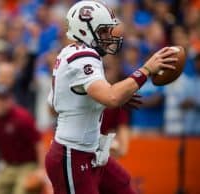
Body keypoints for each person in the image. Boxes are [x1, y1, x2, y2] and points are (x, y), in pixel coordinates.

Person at [45, 1, 178, 194]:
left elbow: (60, 101)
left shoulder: (71, 53)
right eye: (104, 31)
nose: (109, 36)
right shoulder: (84, 57)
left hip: (90, 150)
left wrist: (110, 95)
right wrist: (146, 69)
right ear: (85, 30)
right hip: (72, 154)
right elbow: (112, 98)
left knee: (123, 185)